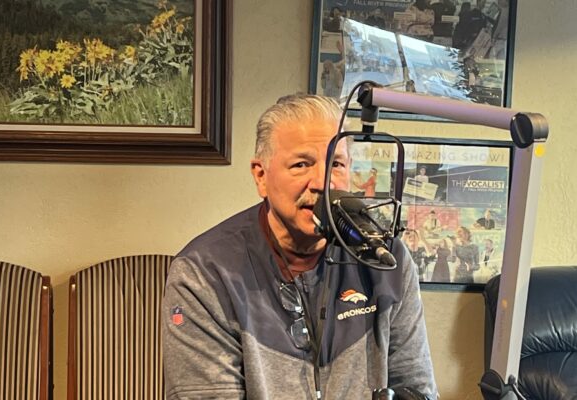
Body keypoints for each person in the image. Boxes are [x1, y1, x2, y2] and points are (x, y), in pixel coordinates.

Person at [162, 94, 438, 399]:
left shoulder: (386, 259)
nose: (322, 182)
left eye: (336, 164)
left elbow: (416, 387)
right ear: (261, 176)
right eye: (301, 164)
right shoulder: (203, 273)